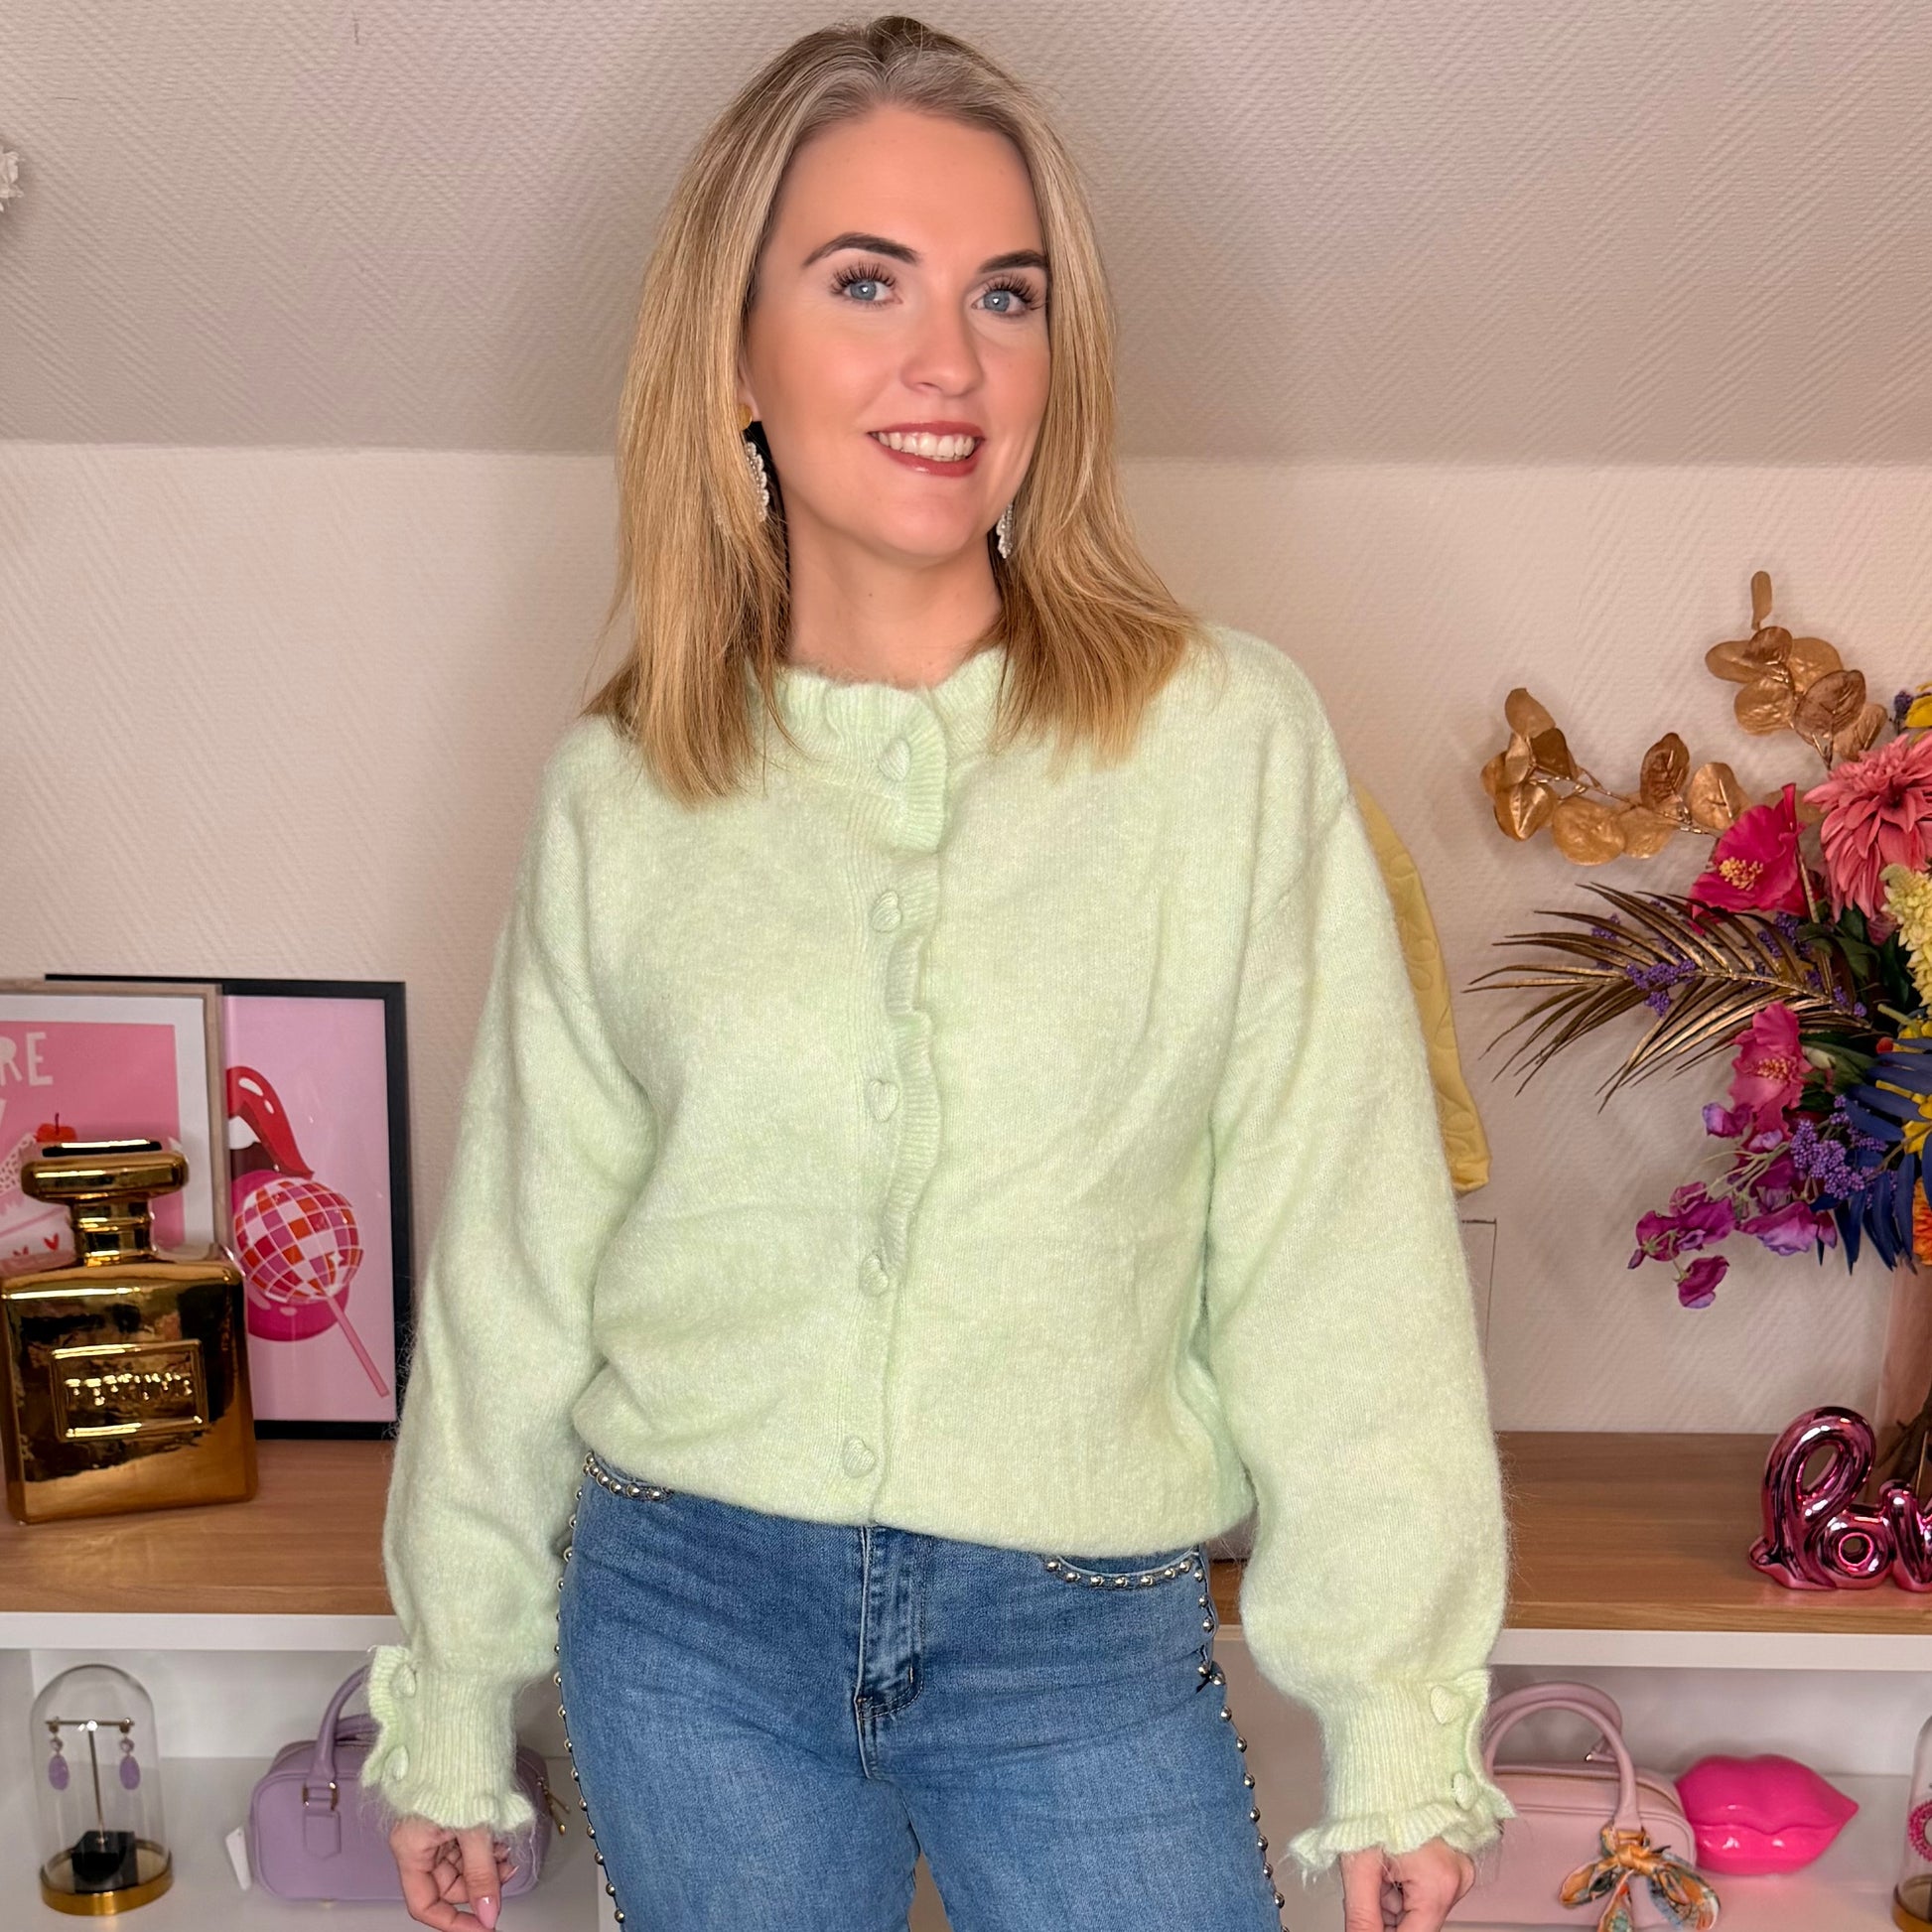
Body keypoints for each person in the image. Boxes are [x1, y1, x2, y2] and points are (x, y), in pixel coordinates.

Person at [361, 15, 1514, 1932]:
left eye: (1006, 293)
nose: (950, 363)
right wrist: (454, 1688)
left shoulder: (1222, 742)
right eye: (864, 280)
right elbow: (515, 1273)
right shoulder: (625, 787)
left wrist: (1397, 1712)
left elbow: (1338, 1246)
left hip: (1080, 1640)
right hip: (685, 1620)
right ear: (735, 350)